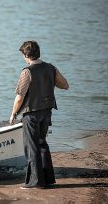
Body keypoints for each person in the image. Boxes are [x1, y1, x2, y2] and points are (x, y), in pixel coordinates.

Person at [9, 41, 69, 189]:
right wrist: (48, 80)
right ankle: (47, 179)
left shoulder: (27, 72)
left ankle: (35, 182)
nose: (24, 58)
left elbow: (19, 97)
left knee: (32, 147)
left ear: (26, 55)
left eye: (23, 55)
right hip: (47, 112)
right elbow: (65, 85)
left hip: (31, 114)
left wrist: (13, 114)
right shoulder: (51, 68)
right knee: (42, 144)